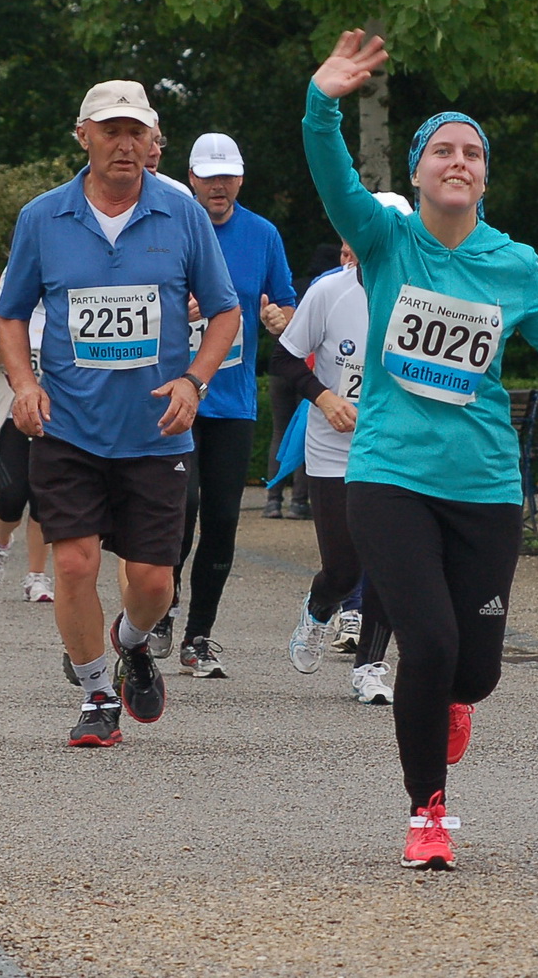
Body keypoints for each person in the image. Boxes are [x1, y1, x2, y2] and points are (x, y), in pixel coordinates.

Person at [305, 30, 538, 869]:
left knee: (473, 673)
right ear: (422, 169)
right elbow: (331, 171)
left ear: (484, 175)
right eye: (443, 150)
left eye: (472, 152)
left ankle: (449, 702)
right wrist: (322, 101)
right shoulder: (389, 240)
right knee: (425, 645)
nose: (458, 161)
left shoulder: (515, 262)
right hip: (390, 475)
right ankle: (427, 810)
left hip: (484, 485)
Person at [0, 78, 241, 748]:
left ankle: (132, 642)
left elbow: (225, 310)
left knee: (153, 582)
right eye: (111, 130)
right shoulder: (43, 217)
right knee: (73, 564)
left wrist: (194, 379)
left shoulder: (182, 213)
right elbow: (12, 311)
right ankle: (98, 692)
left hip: (155, 431)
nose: (124, 143)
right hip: (68, 425)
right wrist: (24, 382)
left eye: (136, 131)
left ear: (152, 140)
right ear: (85, 136)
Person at [168, 132, 297, 677]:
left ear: (241, 179)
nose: (217, 186)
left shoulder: (262, 234)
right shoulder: (170, 226)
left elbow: (286, 302)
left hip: (233, 403)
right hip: (175, 397)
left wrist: (280, 319)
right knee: (179, 512)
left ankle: (199, 635)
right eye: (207, 175)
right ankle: (157, 612)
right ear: (191, 177)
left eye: (227, 176)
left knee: (221, 519)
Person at [272, 237, 396, 706]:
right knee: (343, 569)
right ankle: (320, 607)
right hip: (333, 447)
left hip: (392, 448)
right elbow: (283, 360)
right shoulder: (329, 292)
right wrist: (325, 398)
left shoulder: (422, 295)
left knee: (388, 562)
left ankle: (371, 666)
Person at [0, 279, 53, 601]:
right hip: (10, 405)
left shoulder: (66, 290)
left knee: (44, 496)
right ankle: (0, 544)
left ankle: (37, 577)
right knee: (12, 493)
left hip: (57, 409)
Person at [265, 242, 343, 520]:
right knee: (306, 431)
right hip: (310, 371)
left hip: (279, 371)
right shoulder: (333, 286)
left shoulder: (297, 286)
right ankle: (299, 501)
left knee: (279, 432)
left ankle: (272, 500)